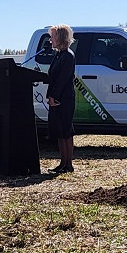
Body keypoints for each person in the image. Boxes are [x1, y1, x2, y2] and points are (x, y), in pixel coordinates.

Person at [46, 24, 76, 173]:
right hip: (56, 97)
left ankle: (68, 164)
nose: (50, 39)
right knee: (59, 130)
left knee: (65, 130)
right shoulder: (59, 55)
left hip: (64, 98)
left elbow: (63, 79)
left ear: (61, 37)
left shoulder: (68, 55)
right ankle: (62, 162)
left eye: (53, 36)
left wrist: (54, 96)